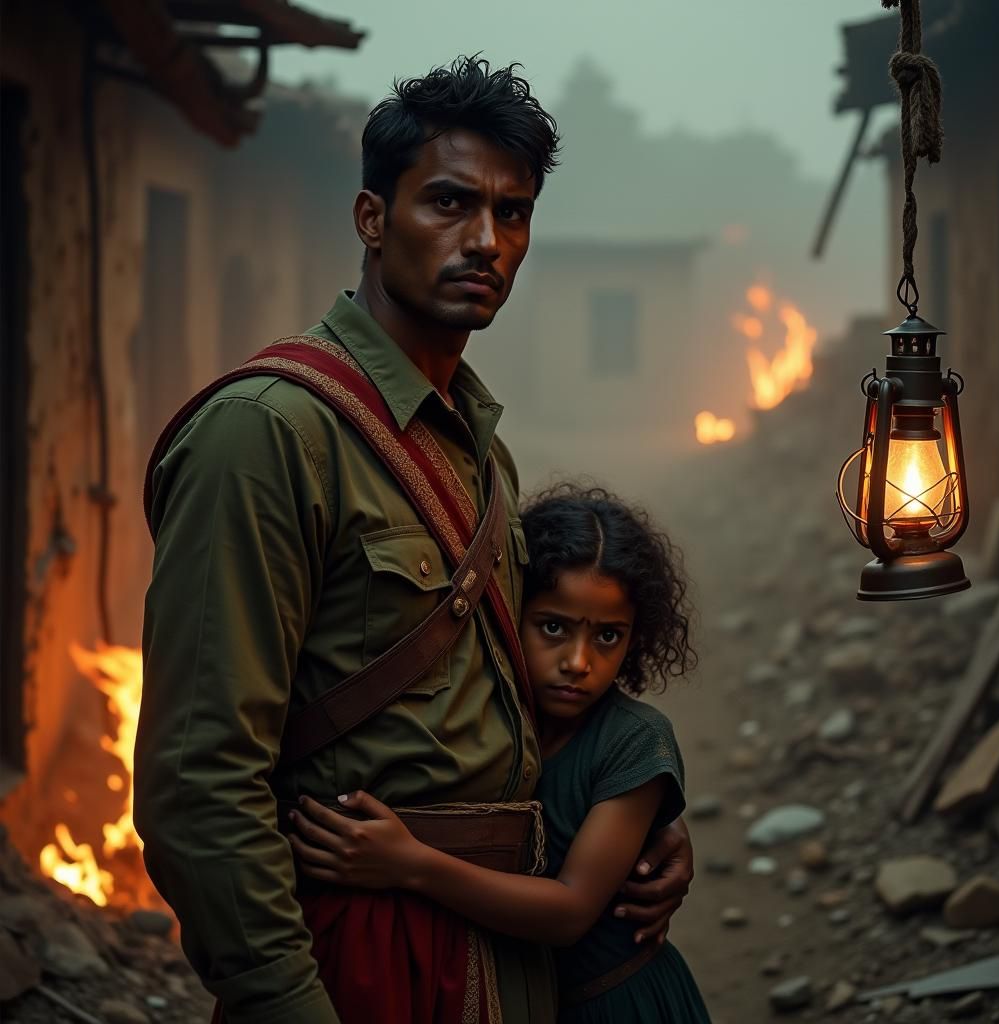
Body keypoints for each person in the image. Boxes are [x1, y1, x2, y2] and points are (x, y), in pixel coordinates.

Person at [135, 57, 695, 1024]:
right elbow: (201, 780)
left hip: (507, 955)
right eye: (448, 202)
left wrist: (634, 836)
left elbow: (506, 711)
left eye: (512, 213)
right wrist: (285, 1003)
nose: (486, 240)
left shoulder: (479, 445)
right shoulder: (269, 432)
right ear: (371, 219)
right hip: (364, 951)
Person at [290, 485, 711, 1023]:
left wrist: (411, 864)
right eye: (553, 627)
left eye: (608, 636)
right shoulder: (491, 719)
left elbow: (569, 911)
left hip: (615, 1004)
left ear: (638, 637)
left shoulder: (634, 739)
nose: (578, 661)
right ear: (510, 611)